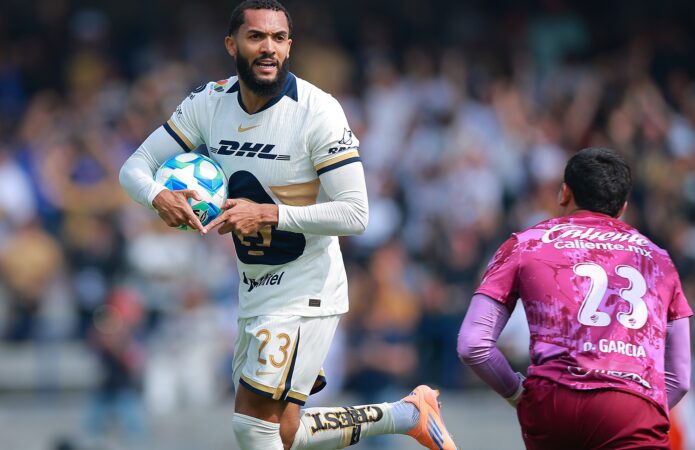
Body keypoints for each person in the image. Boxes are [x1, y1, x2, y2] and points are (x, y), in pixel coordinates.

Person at [118, 1, 456, 449]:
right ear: (231, 44)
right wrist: (158, 196)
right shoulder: (208, 103)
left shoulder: (318, 111)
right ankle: (407, 414)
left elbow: (356, 213)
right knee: (284, 431)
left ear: (290, 46)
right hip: (253, 287)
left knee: (250, 426)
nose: (268, 48)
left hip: (306, 288)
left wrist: (268, 213)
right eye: (256, 36)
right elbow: (135, 167)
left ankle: (406, 414)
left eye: (278, 38)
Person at [457, 147, 693, 449]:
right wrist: (638, 409)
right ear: (622, 207)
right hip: (632, 408)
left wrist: (518, 393)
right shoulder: (659, 260)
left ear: (564, 193)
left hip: (553, 404)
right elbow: (680, 378)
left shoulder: (525, 244)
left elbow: (472, 344)